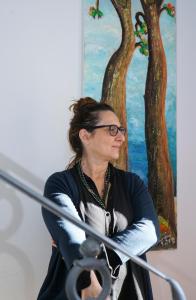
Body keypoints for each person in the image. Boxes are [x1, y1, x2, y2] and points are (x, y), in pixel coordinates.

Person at [37, 97, 160, 300]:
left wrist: (97, 259)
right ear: (86, 135)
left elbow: (149, 231)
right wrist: (88, 282)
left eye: (122, 130)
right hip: (77, 292)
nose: (120, 137)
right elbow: (71, 238)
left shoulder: (132, 183)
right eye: (112, 129)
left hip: (128, 293)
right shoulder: (60, 184)